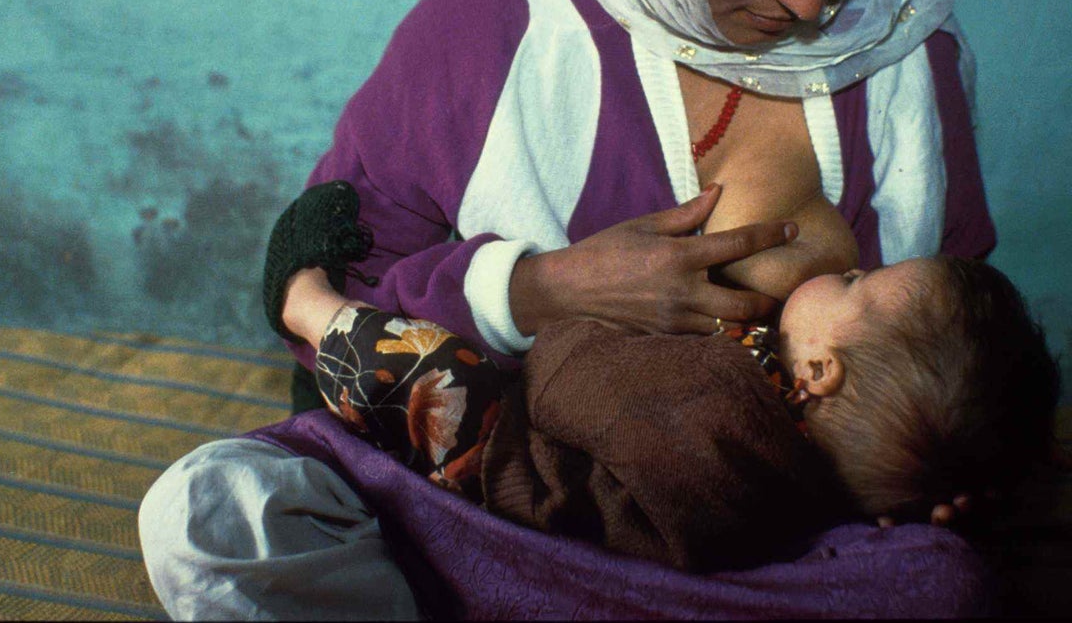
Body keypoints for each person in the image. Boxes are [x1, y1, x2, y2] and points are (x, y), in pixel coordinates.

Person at [139, 0, 1003, 618]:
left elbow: (949, 326)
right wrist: (540, 289)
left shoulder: (903, 53)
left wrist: (935, 464)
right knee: (214, 515)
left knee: (942, 583)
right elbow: (325, 295)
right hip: (487, 506)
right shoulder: (496, 23)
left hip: (769, 546)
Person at [257, 180, 1060, 575]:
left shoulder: (724, 411)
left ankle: (307, 301)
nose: (849, 266)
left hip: (511, 477)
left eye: (856, 285)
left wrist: (581, 329)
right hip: (569, 480)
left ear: (819, 369)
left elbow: (597, 390)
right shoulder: (819, 488)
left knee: (437, 375)